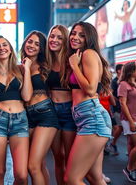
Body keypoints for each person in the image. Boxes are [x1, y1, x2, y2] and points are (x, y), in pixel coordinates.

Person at [64, 21, 112, 184]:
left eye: (81, 35)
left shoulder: (88, 54)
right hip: (87, 116)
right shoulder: (81, 55)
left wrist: (74, 66)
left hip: (92, 118)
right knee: (94, 178)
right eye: (74, 33)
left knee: (71, 179)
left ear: (89, 38)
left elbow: (91, 89)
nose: (75, 37)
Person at [0, 35, 32, 184]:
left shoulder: (20, 70)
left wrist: (28, 69)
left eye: (5, 45)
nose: (1, 48)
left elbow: (27, 96)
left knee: (22, 175)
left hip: (20, 121)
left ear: (10, 50)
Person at [20, 31, 58, 185]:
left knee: (33, 166)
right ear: (25, 43)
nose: (32, 46)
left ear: (42, 49)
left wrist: (28, 69)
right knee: (39, 165)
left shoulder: (45, 66)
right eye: (30, 42)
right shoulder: (19, 65)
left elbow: (29, 95)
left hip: (45, 114)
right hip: (27, 117)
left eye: (37, 44)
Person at [46, 25, 76, 185]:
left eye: (59, 37)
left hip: (69, 112)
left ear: (65, 41)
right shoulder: (46, 61)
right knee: (58, 157)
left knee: (71, 158)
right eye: (52, 36)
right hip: (51, 112)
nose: (54, 40)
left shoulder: (71, 61)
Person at [118, 62, 136, 183]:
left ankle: (135, 168)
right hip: (130, 119)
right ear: (131, 71)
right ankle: (129, 168)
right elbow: (122, 104)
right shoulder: (123, 85)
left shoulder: (135, 83)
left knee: (133, 144)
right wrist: (131, 121)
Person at [110, 64, 123, 155]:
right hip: (117, 108)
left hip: (125, 107)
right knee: (119, 127)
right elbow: (111, 94)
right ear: (118, 71)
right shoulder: (114, 82)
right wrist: (119, 102)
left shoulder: (124, 80)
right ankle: (112, 143)